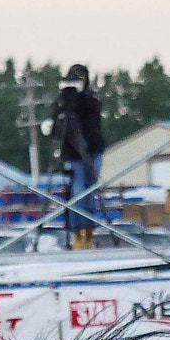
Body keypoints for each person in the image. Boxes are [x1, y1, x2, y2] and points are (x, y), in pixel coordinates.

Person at [46, 65, 106, 248]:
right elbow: (56, 130)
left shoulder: (90, 101)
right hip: (74, 156)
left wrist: (80, 98)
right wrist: (64, 103)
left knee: (88, 194)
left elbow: (94, 111)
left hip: (92, 152)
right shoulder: (62, 103)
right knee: (78, 193)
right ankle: (78, 233)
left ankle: (88, 233)